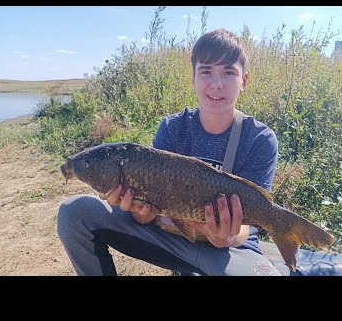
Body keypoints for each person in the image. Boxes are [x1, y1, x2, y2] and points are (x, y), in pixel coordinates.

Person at [57, 28, 283, 276]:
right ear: (193, 79)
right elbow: (149, 217)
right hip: (172, 240)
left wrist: (222, 237)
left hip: (230, 250)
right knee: (74, 211)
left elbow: (248, 225)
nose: (217, 83)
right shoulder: (172, 127)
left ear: (244, 81)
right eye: (206, 71)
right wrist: (137, 210)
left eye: (229, 72)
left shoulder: (260, 139)